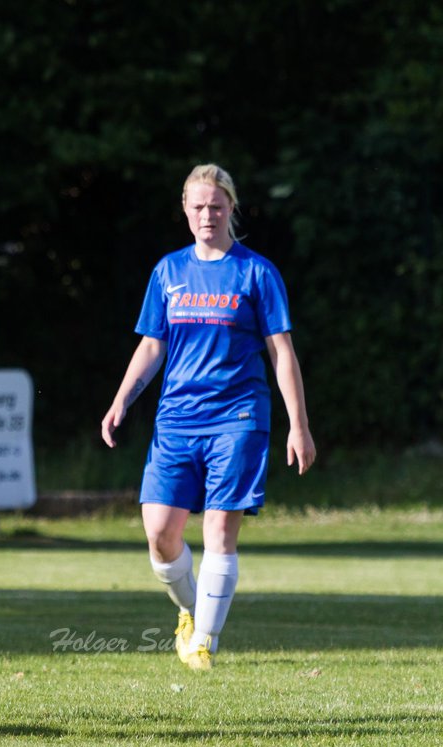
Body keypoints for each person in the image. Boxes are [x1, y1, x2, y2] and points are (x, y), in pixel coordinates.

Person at [100, 163, 316, 671]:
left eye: (216, 206)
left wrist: (298, 425)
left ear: (231, 209)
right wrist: (121, 400)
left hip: (239, 417)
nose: (207, 215)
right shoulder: (169, 271)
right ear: (184, 209)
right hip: (176, 419)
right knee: (159, 534)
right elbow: (152, 345)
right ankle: (191, 613)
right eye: (197, 206)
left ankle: (205, 643)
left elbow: (282, 352)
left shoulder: (256, 272)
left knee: (220, 530)